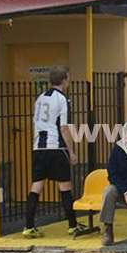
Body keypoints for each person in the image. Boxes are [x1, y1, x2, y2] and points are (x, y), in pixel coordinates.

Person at [22, 66, 81, 238]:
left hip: (38, 147)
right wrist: (71, 151)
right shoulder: (62, 99)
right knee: (65, 186)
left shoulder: (40, 98)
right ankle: (72, 225)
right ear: (64, 80)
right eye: (68, 79)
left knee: (36, 186)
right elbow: (63, 127)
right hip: (55, 147)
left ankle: (29, 226)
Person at [100, 118, 127, 246]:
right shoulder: (118, 149)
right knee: (109, 191)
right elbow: (113, 175)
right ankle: (107, 229)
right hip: (123, 192)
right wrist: (125, 192)